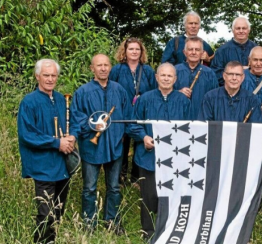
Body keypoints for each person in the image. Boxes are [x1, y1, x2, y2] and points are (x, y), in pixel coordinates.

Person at [127, 63, 191, 241]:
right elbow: (133, 124)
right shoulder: (145, 99)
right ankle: (147, 232)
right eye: (162, 75)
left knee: (170, 196)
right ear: (156, 77)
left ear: (175, 79)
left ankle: (169, 229)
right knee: (148, 197)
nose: (166, 78)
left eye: (169, 76)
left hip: (175, 158)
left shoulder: (184, 101)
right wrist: (143, 137)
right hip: (148, 157)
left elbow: (191, 128)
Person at [70, 54, 132, 234]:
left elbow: (128, 115)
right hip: (91, 147)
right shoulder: (82, 91)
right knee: (89, 188)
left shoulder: (119, 90)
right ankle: (89, 223)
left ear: (110, 67)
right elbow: (76, 117)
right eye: (99, 65)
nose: (103, 68)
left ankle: (112, 221)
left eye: (106, 65)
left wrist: (123, 136)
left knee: (114, 187)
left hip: (114, 146)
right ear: (92, 68)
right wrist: (92, 124)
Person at [18, 59, 77, 243]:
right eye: (46, 75)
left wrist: (72, 136)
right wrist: (56, 143)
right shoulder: (29, 102)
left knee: (58, 211)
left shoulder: (61, 99)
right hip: (43, 166)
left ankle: (50, 240)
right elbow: (27, 135)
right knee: (46, 213)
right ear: (37, 76)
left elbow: (73, 121)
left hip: (63, 165)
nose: (50, 79)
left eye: (53, 75)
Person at [110, 37, 157, 186]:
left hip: (142, 114)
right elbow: (111, 89)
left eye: (137, 49)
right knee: (122, 144)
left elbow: (154, 90)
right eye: (131, 49)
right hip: (122, 113)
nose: (134, 52)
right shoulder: (117, 69)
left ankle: (136, 178)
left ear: (141, 51)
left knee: (140, 143)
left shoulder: (148, 70)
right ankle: (120, 177)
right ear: (125, 51)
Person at [174, 36, 218, 119]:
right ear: (184, 52)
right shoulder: (174, 71)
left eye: (197, 50)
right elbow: (163, 95)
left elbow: (215, 100)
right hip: (178, 120)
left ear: (202, 53)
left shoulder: (210, 74)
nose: (193, 52)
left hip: (202, 120)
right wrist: (177, 93)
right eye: (190, 49)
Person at [210, 16, 257, 86]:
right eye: (238, 28)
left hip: (253, 91)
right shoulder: (222, 51)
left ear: (249, 30)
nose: (241, 31)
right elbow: (216, 73)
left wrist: (250, 70)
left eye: (244, 28)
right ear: (233, 30)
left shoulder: (256, 49)